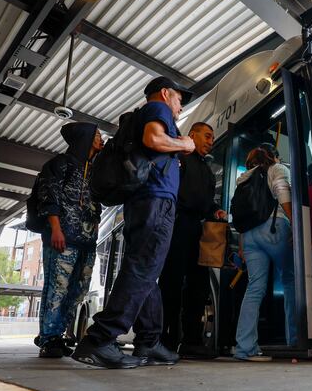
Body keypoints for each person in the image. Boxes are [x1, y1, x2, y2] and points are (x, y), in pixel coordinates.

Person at [72, 76, 195, 369]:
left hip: (146, 200)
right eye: (179, 99)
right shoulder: (158, 109)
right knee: (143, 268)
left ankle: (149, 341)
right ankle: (100, 339)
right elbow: (154, 139)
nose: (179, 107)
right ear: (165, 93)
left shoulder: (148, 113)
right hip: (156, 200)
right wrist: (184, 143)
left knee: (147, 271)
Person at [32, 122, 103, 358]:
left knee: (79, 290)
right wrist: (55, 228)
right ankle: (48, 338)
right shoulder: (60, 163)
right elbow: (48, 196)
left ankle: (58, 334)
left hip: (87, 241)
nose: (101, 139)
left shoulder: (96, 169)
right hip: (62, 237)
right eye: (97, 135)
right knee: (57, 287)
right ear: (84, 138)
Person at [159, 122, 226, 357]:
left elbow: (207, 202)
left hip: (199, 229)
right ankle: (165, 339)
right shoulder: (179, 158)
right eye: (206, 136)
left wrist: (215, 210)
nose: (210, 141)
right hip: (177, 224)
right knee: (171, 282)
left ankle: (191, 341)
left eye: (212, 138)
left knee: (199, 286)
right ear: (192, 135)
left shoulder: (208, 170)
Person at [233, 143, 296, 362]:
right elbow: (282, 192)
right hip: (274, 228)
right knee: (291, 281)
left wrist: (242, 244)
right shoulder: (277, 169)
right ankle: (295, 340)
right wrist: (295, 224)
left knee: (254, 289)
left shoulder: (243, 180)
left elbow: (242, 214)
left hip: (249, 236)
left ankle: (244, 348)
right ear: (274, 157)